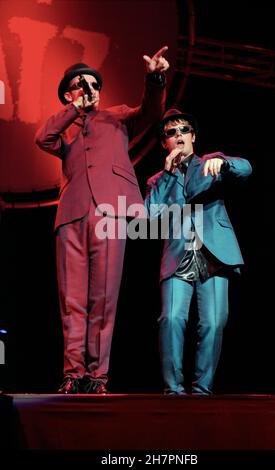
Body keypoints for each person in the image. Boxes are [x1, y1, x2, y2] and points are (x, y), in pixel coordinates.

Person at [35, 47, 169, 394]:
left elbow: (152, 112)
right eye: (82, 84)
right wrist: (73, 110)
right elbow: (42, 138)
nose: (90, 88)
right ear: (69, 93)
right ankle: (72, 372)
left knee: (104, 299)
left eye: (95, 84)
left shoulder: (118, 117)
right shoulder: (64, 126)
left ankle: (97, 377)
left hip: (111, 212)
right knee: (72, 301)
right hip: (72, 216)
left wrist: (154, 78)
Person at [145, 109, 252, 395]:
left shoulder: (210, 163)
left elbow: (246, 168)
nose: (178, 135)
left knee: (214, 322)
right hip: (178, 253)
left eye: (184, 130)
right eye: (171, 132)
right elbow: (148, 216)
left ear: (193, 136)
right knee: (170, 319)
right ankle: (173, 390)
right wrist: (168, 175)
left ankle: (203, 389)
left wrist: (224, 163)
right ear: (164, 143)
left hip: (213, 252)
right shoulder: (157, 180)